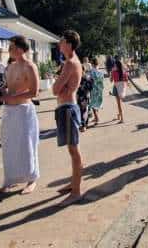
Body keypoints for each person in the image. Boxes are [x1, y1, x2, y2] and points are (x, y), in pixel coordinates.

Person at [0, 36, 40, 194]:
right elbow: (7, 87)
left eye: (11, 47)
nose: (9, 50)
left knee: (27, 146)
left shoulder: (30, 66)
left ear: (20, 49)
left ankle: (32, 179)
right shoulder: (9, 67)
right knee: (9, 146)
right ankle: (11, 178)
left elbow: (34, 92)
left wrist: (12, 97)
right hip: (9, 111)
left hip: (24, 111)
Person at [52, 30, 83, 206]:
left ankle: (76, 191)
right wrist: (61, 87)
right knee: (72, 150)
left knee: (74, 151)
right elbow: (59, 89)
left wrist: (60, 86)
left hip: (68, 108)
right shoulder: (70, 62)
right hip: (67, 107)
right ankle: (73, 184)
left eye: (62, 41)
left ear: (69, 44)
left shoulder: (70, 63)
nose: (59, 43)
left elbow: (55, 89)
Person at [110, 57, 128, 123]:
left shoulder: (114, 71)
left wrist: (111, 73)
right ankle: (119, 115)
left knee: (119, 104)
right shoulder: (124, 72)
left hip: (116, 88)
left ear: (116, 65)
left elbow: (111, 80)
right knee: (120, 103)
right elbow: (126, 80)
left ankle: (122, 118)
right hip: (122, 88)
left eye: (115, 64)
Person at [88, 58, 104, 125]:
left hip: (94, 89)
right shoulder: (100, 71)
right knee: (97, 103)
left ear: (92, 63)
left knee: (93, 104)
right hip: (99, 89)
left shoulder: (91, 71)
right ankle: (96, 117)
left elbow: (89, 79)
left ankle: (97, 118)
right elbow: (102, 81)